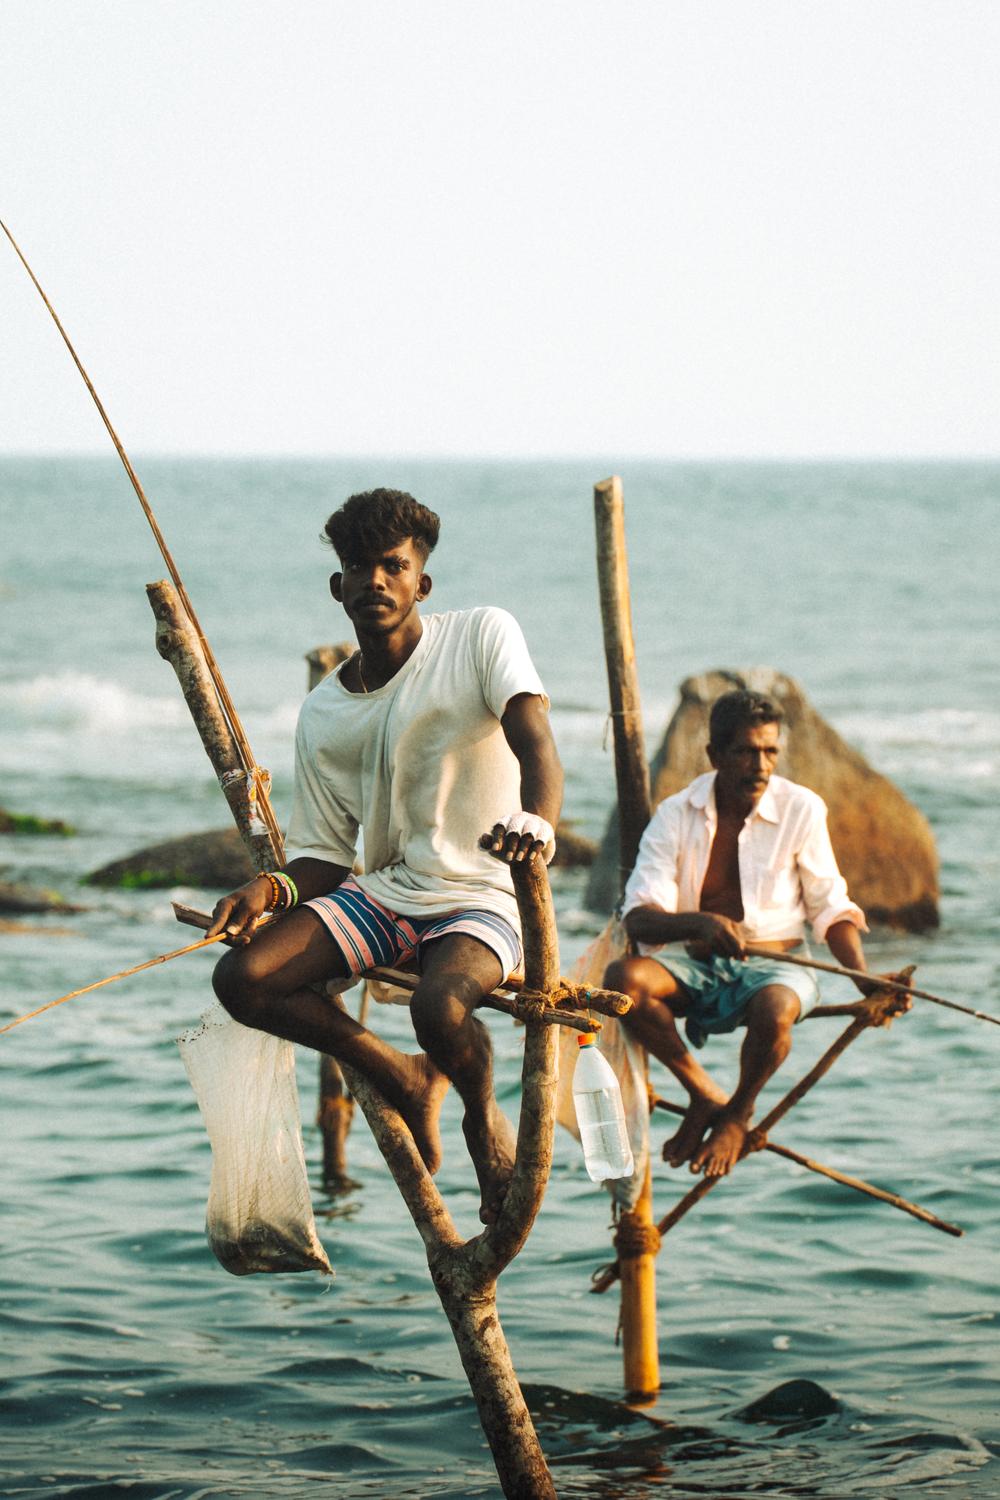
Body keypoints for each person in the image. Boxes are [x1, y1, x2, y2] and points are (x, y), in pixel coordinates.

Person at [209, 488, 563, 1224]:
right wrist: (266, 889)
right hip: (388, 891)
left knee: (440, 1007)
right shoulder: (324, 711)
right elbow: (323, 857)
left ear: (421, 583)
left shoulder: (481, 635)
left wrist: (537, 822)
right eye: (359, 567)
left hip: (484, 892)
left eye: (393, 566)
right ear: (337, 586)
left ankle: (478, 1111)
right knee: (243, 979)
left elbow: (536, 743)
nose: (375, 579)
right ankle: (401, 1073)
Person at [604, 689, 909, 1180]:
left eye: (770, 751)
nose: (761, 765)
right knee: (624, 980)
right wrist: (699, 922)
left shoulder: (802, 808)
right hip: (692, 962)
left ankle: (737, 1114)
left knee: (776, 1009)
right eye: (746, 751)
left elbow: (830, 906)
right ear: (715, 755)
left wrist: (863, 978)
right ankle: (704, 1092)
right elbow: (639, 915)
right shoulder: (676, 813)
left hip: (777, 965)